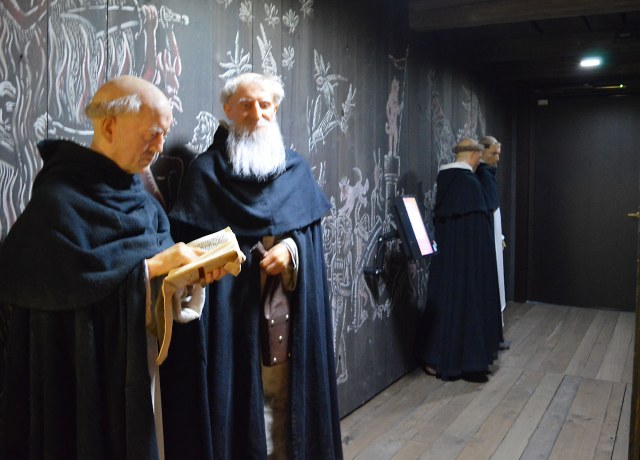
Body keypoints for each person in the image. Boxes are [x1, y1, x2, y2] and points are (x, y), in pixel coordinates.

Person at [0, 75, 224, 460]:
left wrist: (189, 282)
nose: (160, 147)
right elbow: (66, 298)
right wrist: (153, 268)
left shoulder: (144, 202)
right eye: (152, 134)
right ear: (108, 127)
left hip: (147, 380)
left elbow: (146, 282)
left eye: (164, 134)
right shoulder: (56, 206)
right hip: (87, 392)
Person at [162, 72, 343, 459]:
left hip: (287, 321)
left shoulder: (295, 171)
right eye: (245, 105)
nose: (256, 113)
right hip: (230, 326)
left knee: (287, 410)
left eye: (264, 105)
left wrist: (291, 250)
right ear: (228, 109)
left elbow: (309, 240)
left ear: (275, 108)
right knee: (238, 412)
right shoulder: (205, 175)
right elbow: (190, 254)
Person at [416, 138, 502, 382]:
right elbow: (480, 230)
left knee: (446, 302)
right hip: (469, 266)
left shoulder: (447, 181)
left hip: (447, 264)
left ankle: (438, 357)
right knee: (466, 303)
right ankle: (463, 360)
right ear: (474, 156)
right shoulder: (470, 185)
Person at [477, 136, 507, 316]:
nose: (497, 158)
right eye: (494, 153)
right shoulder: (482, 175)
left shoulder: (486, 175)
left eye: (498, 153)